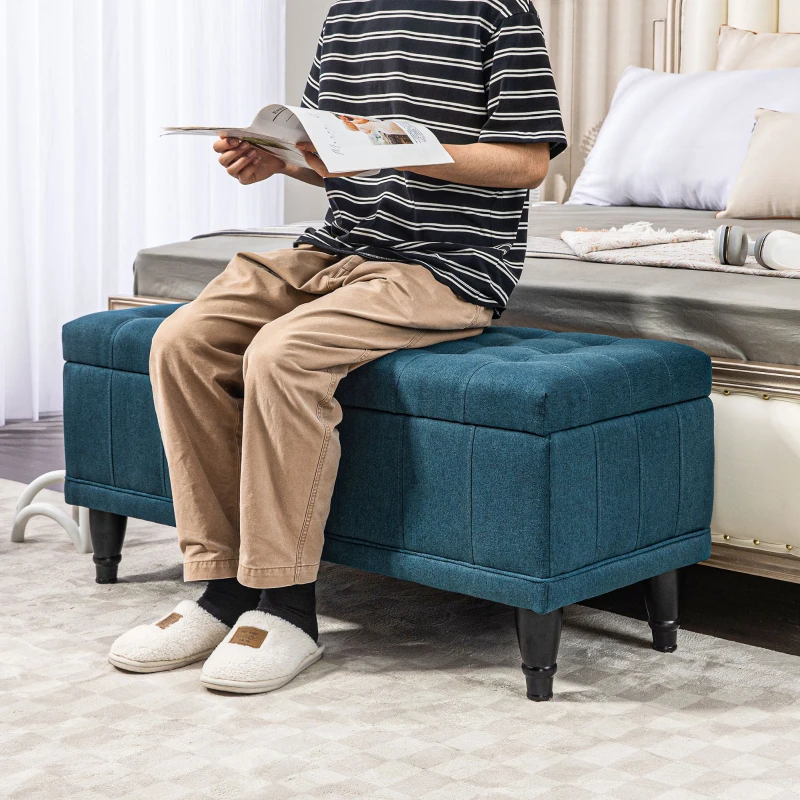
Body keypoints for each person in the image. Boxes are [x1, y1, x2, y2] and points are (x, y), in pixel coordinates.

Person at [108, 0, 567, 694]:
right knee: (182, 340)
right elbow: (331, 161)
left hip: (450, 265)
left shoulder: (497, 12)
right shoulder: (347, 14)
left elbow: (526, 163)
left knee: (283, 353)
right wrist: (276, 162)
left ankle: (288, 607)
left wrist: (400, 148)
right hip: (340, 248)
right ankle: (222, 587)